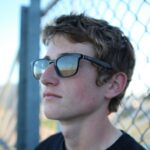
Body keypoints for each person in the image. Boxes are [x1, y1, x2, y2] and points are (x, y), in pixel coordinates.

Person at [33, 13, 145, 150]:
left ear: (113, 85)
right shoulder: (44, 147)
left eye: (67, 64)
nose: (45, 78)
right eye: (45, 64)